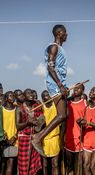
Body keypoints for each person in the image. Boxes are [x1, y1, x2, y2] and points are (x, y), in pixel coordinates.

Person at [31, 24, 69, 156]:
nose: (67, 34)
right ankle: (38, 138)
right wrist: (60, 85)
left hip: (60, 84)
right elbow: (50, 68)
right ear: (59, 34)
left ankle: (40, 136)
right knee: (62, 115)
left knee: (65, 114)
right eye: (65, 32)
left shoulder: (60, 49)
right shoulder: (53, 47)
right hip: (55, 84)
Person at [16, 89, 43, 175]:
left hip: (34, 138)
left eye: (32, 93)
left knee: (33, 166)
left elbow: (42, 121)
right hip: (24, 140)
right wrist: (28, 122)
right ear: (24, 96)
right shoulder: (19, 109)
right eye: (28, 93)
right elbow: (18, 126)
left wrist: (39, 122)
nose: (31, 94)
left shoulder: (37, 107)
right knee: (24, 166)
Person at [65, 83, 87, 175]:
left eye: (78, 88)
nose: (75, 89)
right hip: (69, 137)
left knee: (79, 165)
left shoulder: (85, 103)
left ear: (82, 91)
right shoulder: (67, 103)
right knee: (69, 165)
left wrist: (83, 123)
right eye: (75, 87)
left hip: (81, 138)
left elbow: (88, 121)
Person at [41, 90, 60, 175]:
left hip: (54, 138)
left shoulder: (55, 105)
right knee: (45, 164)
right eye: (45, 96)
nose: (47, 97)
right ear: (42, 99)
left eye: (48, 94)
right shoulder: (41, 107)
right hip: (44, 139)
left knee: (55, 164)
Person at [0, 91, 18, 175]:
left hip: (14, 140)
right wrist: (4, 136)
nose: (12, 97)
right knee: (2, 164)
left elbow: (19, 124)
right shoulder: (1, 109)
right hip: (4, 140)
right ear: (6, 98)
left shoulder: (17, 109)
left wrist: (15, 136)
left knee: (11, 163)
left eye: (13, 95)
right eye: (10, 96)